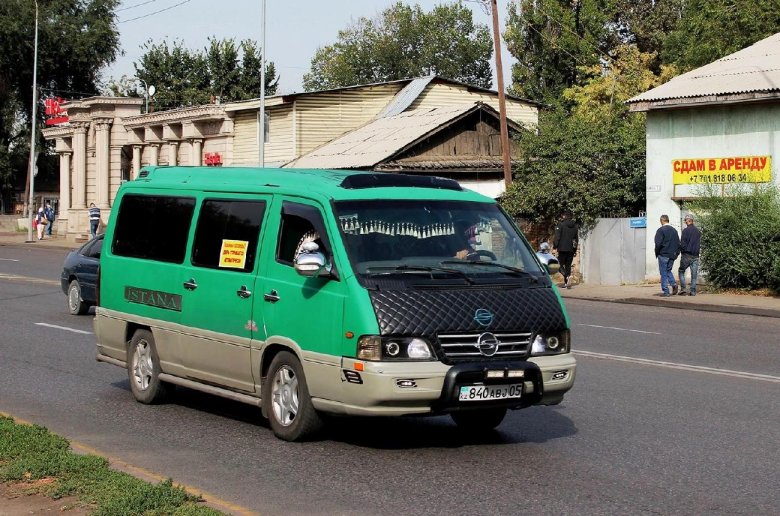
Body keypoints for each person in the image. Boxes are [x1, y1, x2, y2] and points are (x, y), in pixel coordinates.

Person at [654, 214, 680, 297]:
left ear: (662, 220)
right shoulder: (674, 231)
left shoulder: (660, 230)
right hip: (672, 254)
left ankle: (666, 291)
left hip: (663, 254)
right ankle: (674, 284)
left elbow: (658, 243)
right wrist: (676, 253)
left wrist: (657, 253)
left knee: (663, 273)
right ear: (668, 220)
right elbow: (678, 243)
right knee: (668, 270)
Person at [553, 211, 579, 288]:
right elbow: (576, 239)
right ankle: (567, 283)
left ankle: (567, 276)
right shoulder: (575, 226)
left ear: (564, 216)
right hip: (571, 248)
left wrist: (555, 247)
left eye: (562, 215)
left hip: (562, 248)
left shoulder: (561, 225)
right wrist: (575, 249)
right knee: (568, 266)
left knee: (558, 265)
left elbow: (557, 237)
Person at [678, 214, 701, 296]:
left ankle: (683, 289)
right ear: (692, 221)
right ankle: (693, 291)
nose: (684, 222)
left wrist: (682, 252)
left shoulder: (685, 231)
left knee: (681, 271)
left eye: (685, 220)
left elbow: (683, 244)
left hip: (687, 255)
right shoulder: (698, 231)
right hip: (696, 256)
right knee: (694, 275)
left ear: (687, 221)